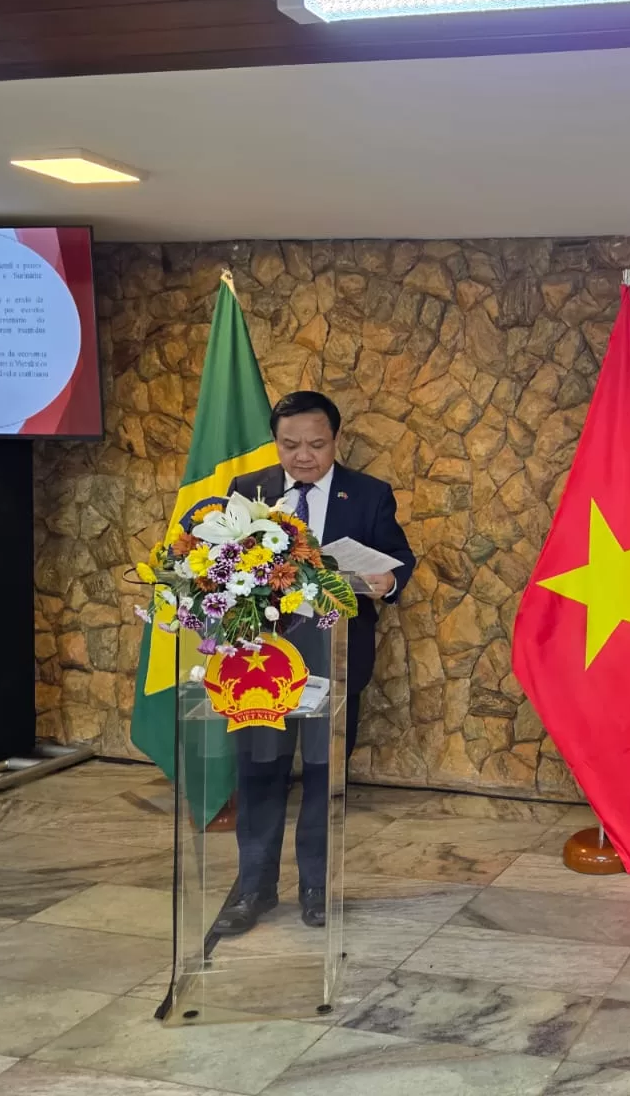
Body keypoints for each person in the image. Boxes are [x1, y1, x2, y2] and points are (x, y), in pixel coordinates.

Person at [216, 391, 415, 935]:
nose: (303, 456)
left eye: (316, 444)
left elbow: (400, 559)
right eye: (290, 445)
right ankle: (253, 888)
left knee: (325, 778)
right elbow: (222, 562)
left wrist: (389, 580)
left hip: (336, 656)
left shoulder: (369, 494)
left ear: (336, 439)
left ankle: (315, 888)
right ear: (276, 441)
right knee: (260, 773)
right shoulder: (249, 490)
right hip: (262, 663)